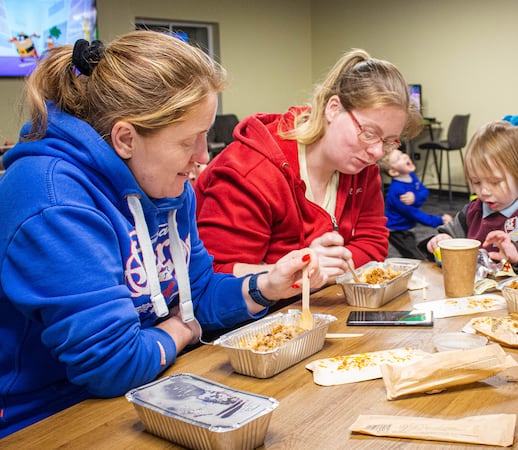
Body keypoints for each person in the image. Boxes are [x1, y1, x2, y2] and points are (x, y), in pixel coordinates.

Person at [0, 31, 323, 438]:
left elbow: (196, 293)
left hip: (145, 387)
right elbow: (110, 364)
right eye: (189, 141)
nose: (203, 157)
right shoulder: (53, 199)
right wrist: (179, 330)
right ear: (125, 139)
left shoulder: (166, 182)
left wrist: (265, 286)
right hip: (45, 418)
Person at [194, 48, 422, 285]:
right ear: (333, 109)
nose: (376, 152)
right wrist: (305, 266)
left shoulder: (361, 165)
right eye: (368, 133)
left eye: (388, 141)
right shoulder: (250, 171)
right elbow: (217, 275)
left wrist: (327, 270)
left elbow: (373, 244)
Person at [423, 120, 518, 274]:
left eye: (495, 182)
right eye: (476, 182)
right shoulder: (473, 211)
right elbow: (448, 234)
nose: (483, 191)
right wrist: (440, 240)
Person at [379, 149, 452, 259]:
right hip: (398, 231)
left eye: (402, 153)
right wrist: (439, 221)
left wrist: (415, 197)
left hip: (408, 227)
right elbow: (414, 213)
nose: (404, 156)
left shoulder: (411, 176)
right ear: (394, 172)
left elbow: (424, 191)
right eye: (398, 158)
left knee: (413, 255)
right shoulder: (397, 191)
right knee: (416, 258)